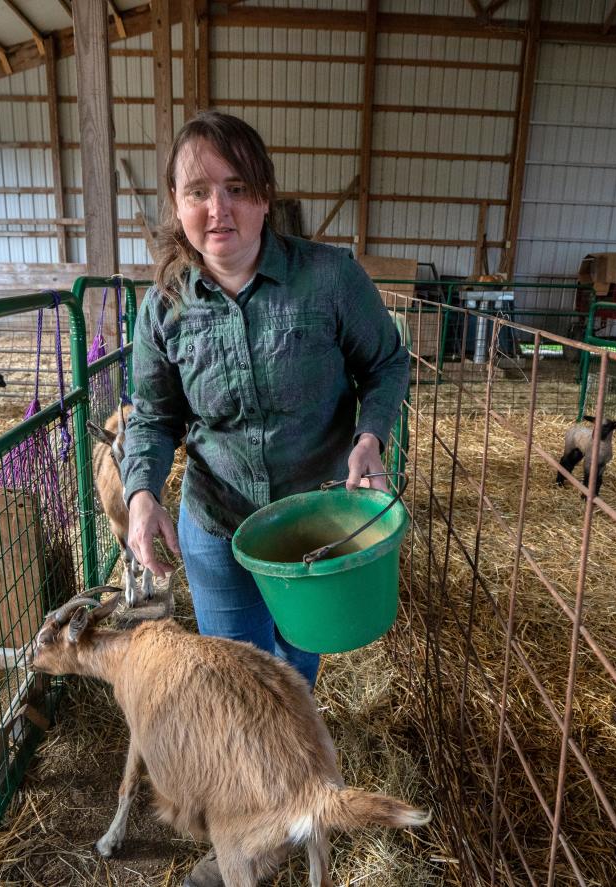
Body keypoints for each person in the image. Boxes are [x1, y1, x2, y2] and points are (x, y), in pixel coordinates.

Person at [120, 108, 410, 887]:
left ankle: (284, 807)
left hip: (308, 535)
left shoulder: (328, 278)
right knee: (240, 684)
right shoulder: (165, 306)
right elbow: (151, 415)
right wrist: (143, 493)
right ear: (176, 205)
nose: (219, 210)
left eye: (237, 188)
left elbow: (386, 363)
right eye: (198, 191)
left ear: (265, 196)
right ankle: (256, 837)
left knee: (296, 671)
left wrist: (372, 436)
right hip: (215, 525)